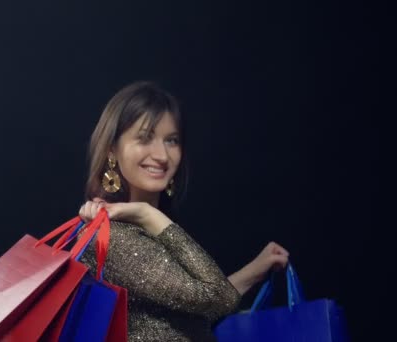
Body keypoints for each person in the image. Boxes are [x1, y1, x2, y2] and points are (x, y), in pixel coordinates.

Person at [78, 81, 289, 341]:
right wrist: (148, 213)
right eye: (145, 138)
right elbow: (217, 297)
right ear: (112, 148)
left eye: (172, 140)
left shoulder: (154, 230)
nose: (162, 155)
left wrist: (256, 270)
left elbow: (195, 311)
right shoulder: (111, 237)